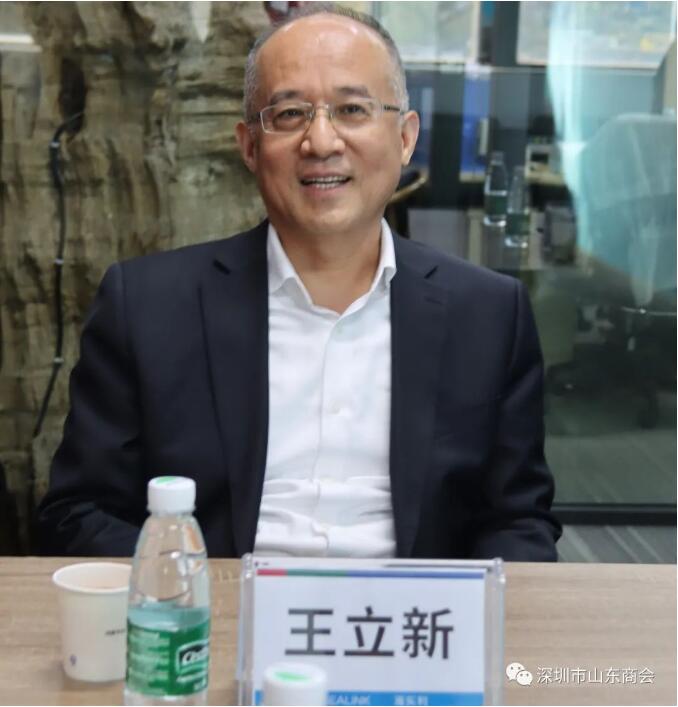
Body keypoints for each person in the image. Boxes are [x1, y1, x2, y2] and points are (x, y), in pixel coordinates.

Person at [38, 4, 561, 560]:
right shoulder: (147, 308)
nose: (321, 141)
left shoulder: (488, 314)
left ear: (406, 137)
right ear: (249, 146)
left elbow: (518, 521)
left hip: (413, 609)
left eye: (352, 109)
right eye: (289, 114)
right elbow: (79, 513)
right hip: (216, 605)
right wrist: (196, 589)